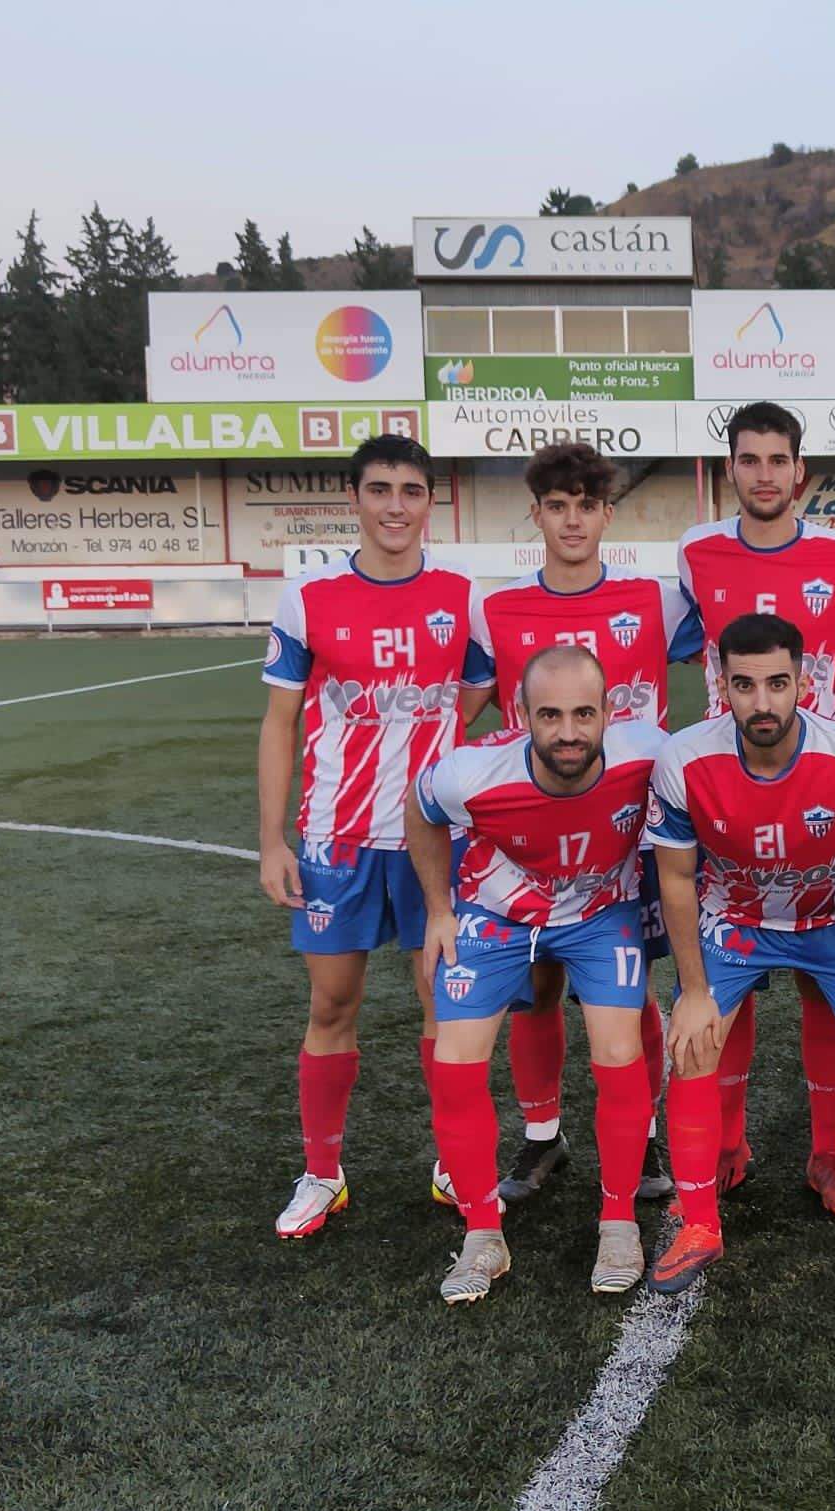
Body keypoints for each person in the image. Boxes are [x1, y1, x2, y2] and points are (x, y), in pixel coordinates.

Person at [260, 435, 484, 1239]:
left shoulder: (463, 598)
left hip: (431, 838)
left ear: (431, 502)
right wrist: (272, 840)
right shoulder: (309, 599)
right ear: (354, 497)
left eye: (412, 490)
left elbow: (478, 691)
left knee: (442, 1000)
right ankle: (322, 1172)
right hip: (335, 835)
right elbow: (280, 722)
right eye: (381, 488)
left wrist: (434, 759)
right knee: (332, 1002)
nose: (396, 505)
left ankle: (455, 1161)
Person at [674, 401, 835, 1214]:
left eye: (779, 459)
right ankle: (727, 1146)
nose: (764, 473)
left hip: (822, 796)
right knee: (724, 984)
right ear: (731, 467)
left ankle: (828, 1155)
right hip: (725, 800)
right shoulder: (694, 554)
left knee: (818, 985)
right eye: (749, 458)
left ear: (799, 470)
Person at [461, 441, 692, 1209]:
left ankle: (647, 1124)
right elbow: (467, 721)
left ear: (606, 514)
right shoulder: (498, 612)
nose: (570, 520)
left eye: (584, 505)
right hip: (534, 838)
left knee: (635, 987)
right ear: (536, 515)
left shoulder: (655, 600)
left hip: (631, 834)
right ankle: (542, 1136)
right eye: (555, 507)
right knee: (536, 984)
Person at [643, 613, 835, 1294]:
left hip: (832, 918)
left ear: (804, 682)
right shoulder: (684, 759)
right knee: (691, 1042)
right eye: (745, 685)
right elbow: (675, 878)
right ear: (720, 683)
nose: (762, 703)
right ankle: (700, 1222)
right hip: (735, 920)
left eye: (777, 683)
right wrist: (693, 990)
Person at [407, 646, 664, 1303]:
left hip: (601, 914)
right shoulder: (472, 774)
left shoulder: (648, 753)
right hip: (499, 915)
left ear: (610, 711)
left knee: (617, 1049)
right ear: (521, 714)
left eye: (584, 713)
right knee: (457, 1063)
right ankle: (481, 1234)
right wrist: (439, 909)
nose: (570, 732)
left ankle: (618, 1221)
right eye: (550, 715)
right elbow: (421, 809)